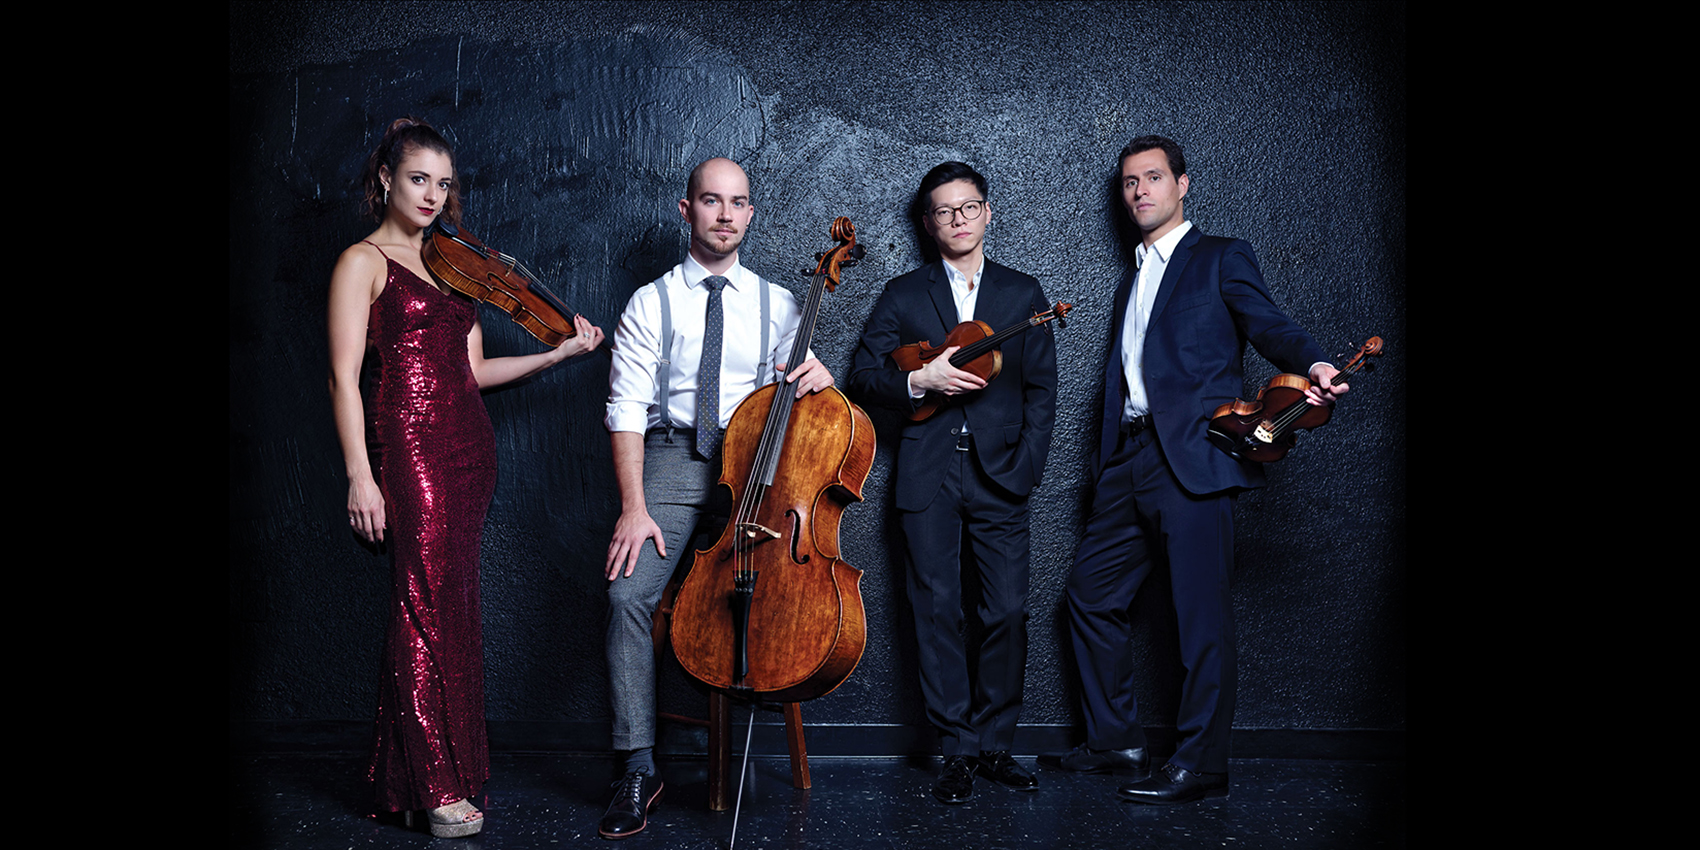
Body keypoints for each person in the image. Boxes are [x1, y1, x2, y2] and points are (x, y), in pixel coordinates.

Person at [327, 117, 604, 838]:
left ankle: (425, 776)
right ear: (387, 178)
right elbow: (341, 378)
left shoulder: (453, 264)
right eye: (419, 178)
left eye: (443, 183)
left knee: (452, 609)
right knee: (419, 604)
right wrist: (361, 476)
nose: (432, 194)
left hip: (469, 451)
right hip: (407, 446)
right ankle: (437, 784)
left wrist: (557, 355)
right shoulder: (362, 261)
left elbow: (475, 371)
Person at [1050, 135, 1347, 804]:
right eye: (1129, 182)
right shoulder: (1133, 275)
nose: (1139, 191)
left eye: (1153, 177)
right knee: (1090, 597)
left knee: (1199, 615)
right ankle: (1115, 740)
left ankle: (1202, 763)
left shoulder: (1218, 258)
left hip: (1195, 456)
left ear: (1182, 185)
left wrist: (1317, 362)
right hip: (1128, 459)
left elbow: (1269, 324)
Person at [599, 157, 835, 839]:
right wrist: (634, 505)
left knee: (767, 594)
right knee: (626, 594)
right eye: (711, 201)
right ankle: (637, 765)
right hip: (672, 460)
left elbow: (794, 410)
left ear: (751, 214)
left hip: (756, 466)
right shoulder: (651, 301)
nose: (726, 215)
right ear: (686, 209)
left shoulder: (781, 304)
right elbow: (625, 409)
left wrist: (817, 375)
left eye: (737, 203)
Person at [848, 162, 1057, 804]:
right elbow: (862, 373)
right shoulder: (904, 294)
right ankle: (957, 749)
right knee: (935, 611)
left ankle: (995, 744)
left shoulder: (1024, 294)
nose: (958, 220)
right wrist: (919, 381)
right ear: (928, 223)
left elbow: (1044, 391)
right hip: (927, 475)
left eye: (968, 208)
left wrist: (1025, 468)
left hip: (1000, 475)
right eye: (944, 211)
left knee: (1005, 612)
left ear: (987, 212)